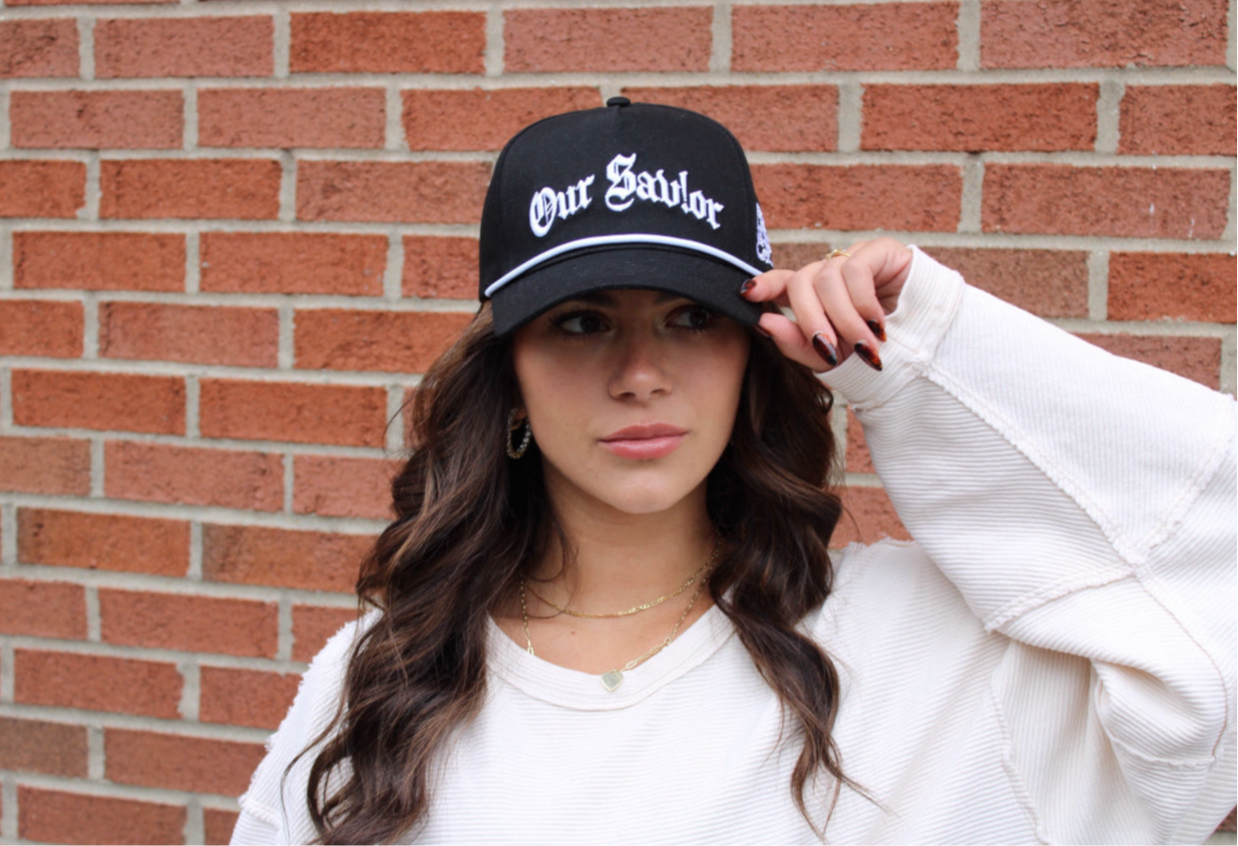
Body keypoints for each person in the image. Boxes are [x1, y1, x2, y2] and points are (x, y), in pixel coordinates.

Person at [230, 99, 1238, 845]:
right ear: (511, 377)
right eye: (580, 323)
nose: (639, 374)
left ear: (755, 351)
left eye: (690, 317)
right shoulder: (382, 678)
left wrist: (929, 354)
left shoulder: (933, 651)